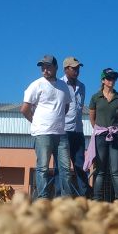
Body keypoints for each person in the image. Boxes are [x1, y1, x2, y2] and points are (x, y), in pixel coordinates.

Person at [21, 54, 73, 199]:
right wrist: (35, 121)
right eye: (42, 67)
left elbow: (66, 106)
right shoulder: (36, 85)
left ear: (56, 67)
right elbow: (24, 109)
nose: (45, 69)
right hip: (42, 133)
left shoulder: (63, 86)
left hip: (61, 133)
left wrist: (58, 119)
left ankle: (66, 199)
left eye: (48, 67)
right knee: (43, 167)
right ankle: (42, 199)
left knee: (65, 168)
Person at [86, 67, 118, 202]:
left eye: (114, 78)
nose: (112, 80)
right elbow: (92, 118)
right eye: (109, 78)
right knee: (100, 170)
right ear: (103, 80)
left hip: (115, 136)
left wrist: (112, 128)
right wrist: (100, 129)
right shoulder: (95, 97)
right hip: (100, 136)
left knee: (116, 170)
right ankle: (97, 199)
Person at [61, 56, 90, 198]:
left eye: (78, 68)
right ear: (66, 69)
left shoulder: (82, 86)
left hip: (78, 131)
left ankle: (84, 197)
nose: (77, 71)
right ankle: (61, 198)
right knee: (62, 166)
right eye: (73, 68)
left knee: (80, 165)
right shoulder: (59, 84)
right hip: (63, 131)